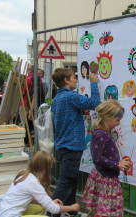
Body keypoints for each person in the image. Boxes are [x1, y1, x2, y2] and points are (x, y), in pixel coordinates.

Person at [50, 68, 100, 217]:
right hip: (72, 146)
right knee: (66, 181)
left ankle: (70, 211)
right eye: (74, 77)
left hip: (64, 145)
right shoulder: (71, 97)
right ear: (66, 80)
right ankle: (50, 211)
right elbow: (94, 102)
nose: (76, 80)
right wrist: (93, 83)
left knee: (71, 179)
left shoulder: (56, 100)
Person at [82, 99, 131, 217]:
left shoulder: (106, 133)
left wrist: (120, 163)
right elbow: (97, 158)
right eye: (117, 120)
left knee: (107, 210)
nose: (118, 123)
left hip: (108, 176)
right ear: (106, 117)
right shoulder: (101, 134)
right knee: (105, 211)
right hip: (105, 178)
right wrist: (116, 164)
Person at [0, 151, 80, 217]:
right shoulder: (33, 182)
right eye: (49, 169)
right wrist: (72, 207)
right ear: (44, 168)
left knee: (40, 208)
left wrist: (50, 202)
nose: (49, 173)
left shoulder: (24, 175)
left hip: (1, 213)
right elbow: (54, 209)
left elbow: (28, 199)